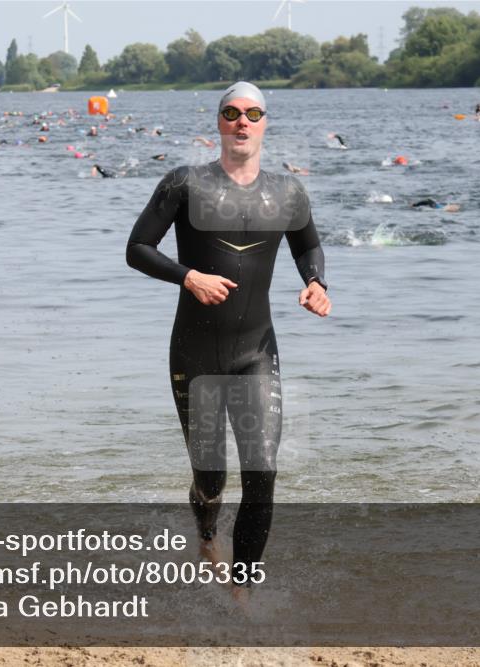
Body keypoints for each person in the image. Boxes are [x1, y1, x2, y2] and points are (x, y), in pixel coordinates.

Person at [126, 81, 331, 605]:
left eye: (253, 113)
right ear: (218, 122)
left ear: (265, 124)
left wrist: (315, 283)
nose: (242, 122)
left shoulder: (287, 192)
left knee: (262, 473)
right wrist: (188, 276)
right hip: (194, 353)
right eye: (232, 113)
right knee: (211, 475)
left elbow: (307, 243)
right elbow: (138, 249)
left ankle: (243, 593)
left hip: (256, 352)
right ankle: (206, 533)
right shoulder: (185, 184)